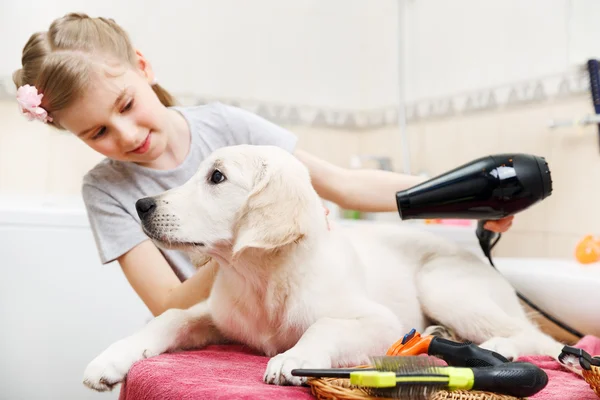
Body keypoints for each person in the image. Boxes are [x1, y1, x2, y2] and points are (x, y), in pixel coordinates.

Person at [13, 12, 514, 317]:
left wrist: (460, 193)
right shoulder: (106, 190)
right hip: (221, 324)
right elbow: (168, 304)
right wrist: (254, 241)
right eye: (96, 132)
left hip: (297, 311)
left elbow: (343, 184)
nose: (127, 135)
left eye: (124, 105)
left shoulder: (226, 128)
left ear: (143, 67)